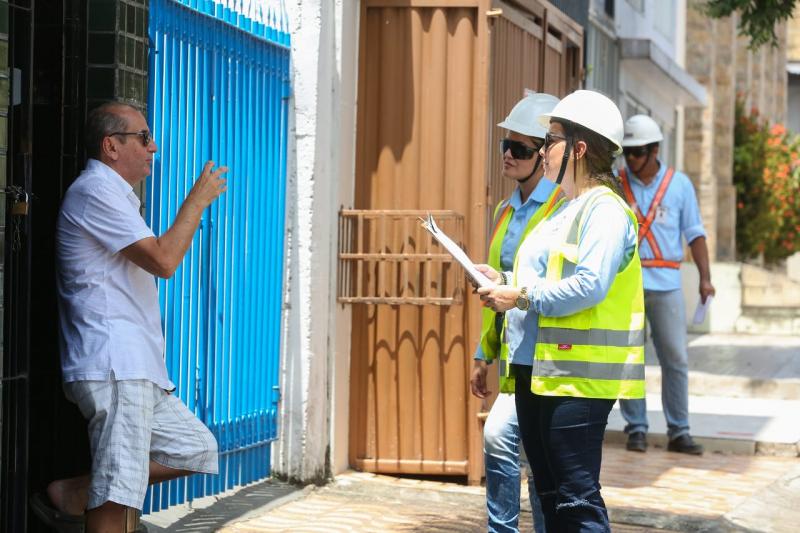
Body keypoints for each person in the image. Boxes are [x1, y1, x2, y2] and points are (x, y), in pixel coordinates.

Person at [32, 102, 227, 532]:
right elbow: (164, 259)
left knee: (196, 448)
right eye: (143, 137)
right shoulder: (94, 191)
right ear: (111, 146)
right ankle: (87, 494)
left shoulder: (115, 195)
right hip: (115, 363)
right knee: (121, 492)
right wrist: (196, 201)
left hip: (138, 368)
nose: (152, 147)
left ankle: (75, 494)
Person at [476, 90, 645, 531]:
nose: (543, 149)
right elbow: (544, 276)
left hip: (578, 381)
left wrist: (522, 295)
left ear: (579, 149)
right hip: (541, 370)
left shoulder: (605, 211)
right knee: (551, 494)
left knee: (576, 499)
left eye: (550, 141)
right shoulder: (566, 208)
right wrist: (503, 283)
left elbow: (590, 285)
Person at [471, 92, 560, 533]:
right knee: (503, 442)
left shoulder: (562, 209)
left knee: (539, 466)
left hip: (551, 358)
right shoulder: (508, 210)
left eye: (521, 149)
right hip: (514, 357)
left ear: (546, 155)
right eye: (506, 145)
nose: (508, 155)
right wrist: (483, 353)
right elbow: (498, 290)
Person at [617, 115, 714, 455]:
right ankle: (636, 428)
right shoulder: (616, 182)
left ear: (656, 149)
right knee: (630, 357)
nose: (631, 159)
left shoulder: (680, 185)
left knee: (675, 357)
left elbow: (695, 234)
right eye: (627, 152)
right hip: (626, 283)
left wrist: (705, 278)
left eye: (639, 152)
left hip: (667, 283)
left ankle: (679, 430)